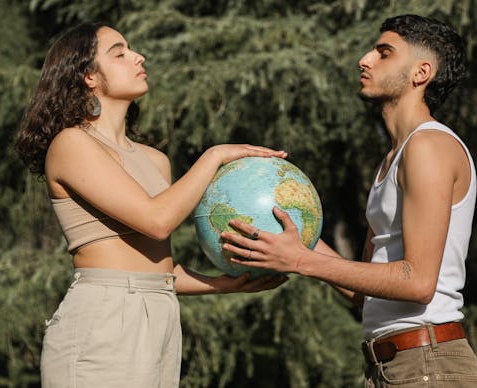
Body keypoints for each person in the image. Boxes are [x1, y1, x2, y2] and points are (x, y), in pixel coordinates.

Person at [15, 22, 288, 388]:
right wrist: (215, 155)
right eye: (120, 52)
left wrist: (225, 284)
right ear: (88, 76)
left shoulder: (155, 160)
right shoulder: (71, 144)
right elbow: (157, 220)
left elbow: (158, 271)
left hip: (161, 317)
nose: (138, 57)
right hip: (103, 319)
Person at [221, 14, 477, 386]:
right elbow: (366, 293)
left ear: (421, 72)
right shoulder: (394, 157)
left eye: (384, 53)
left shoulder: (429, 146)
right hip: (389, 367)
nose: (365, 59)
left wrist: (300, 258)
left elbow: (418, 281)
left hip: (428, 366)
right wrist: (294, 236)